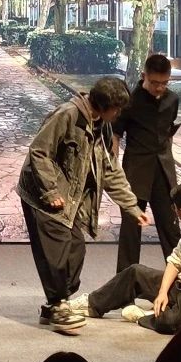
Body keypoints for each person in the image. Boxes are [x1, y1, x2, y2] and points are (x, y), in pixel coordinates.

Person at [17, 76, 149, 332]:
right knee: (57, 254)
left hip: (68, 198)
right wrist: (50, 191)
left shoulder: (103, 126)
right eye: (116, 109)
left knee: (75, 250)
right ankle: (59, 306)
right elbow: (39, 152)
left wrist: (132, 207)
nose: (118, 114)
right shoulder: (67, 115)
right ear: (104, 105)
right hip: (42, 193)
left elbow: (110, 170)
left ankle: (55, 303)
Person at [68, 183, 181, 335]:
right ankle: (92, 304)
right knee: (135, 272)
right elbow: (175, 261)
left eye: (174, 207)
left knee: (170, 321)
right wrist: (163, 292)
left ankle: (147, 316)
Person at [112, 54, 181, 273]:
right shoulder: (130, 102)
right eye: (154, 83)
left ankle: (180, 280)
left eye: (164, 83)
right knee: (131, 229)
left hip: (163, 171)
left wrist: (168, 157)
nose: (159, 88)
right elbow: (116, 134)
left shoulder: (173, 99)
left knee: (170, 228)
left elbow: (169, 131)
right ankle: (125, 281)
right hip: (136, 171)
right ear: (144, 76)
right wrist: (113, 165)